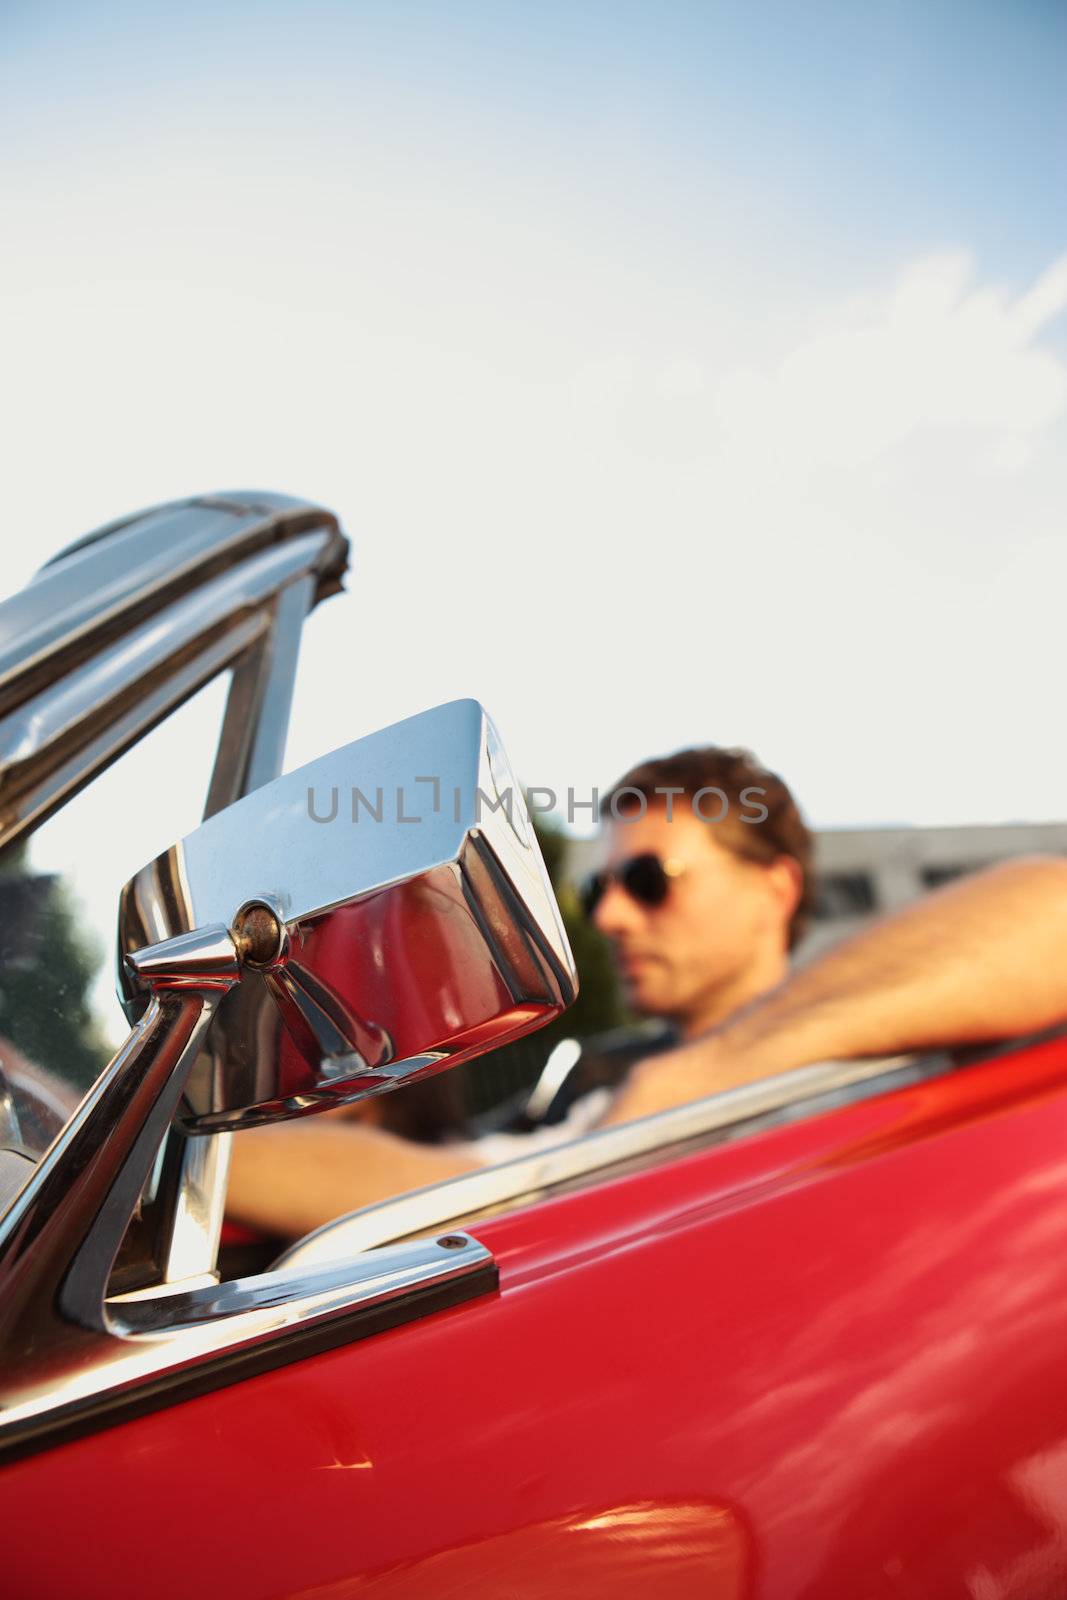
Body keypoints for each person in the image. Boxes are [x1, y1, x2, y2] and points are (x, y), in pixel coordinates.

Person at [225, 747, 1067, 1239]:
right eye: (599, 893)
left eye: (646, 880)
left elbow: (1050, 906)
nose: (613, 916)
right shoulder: (603, 1087)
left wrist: (711, 1073)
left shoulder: (906, 1035)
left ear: (775, 888)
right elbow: (445, 1184)